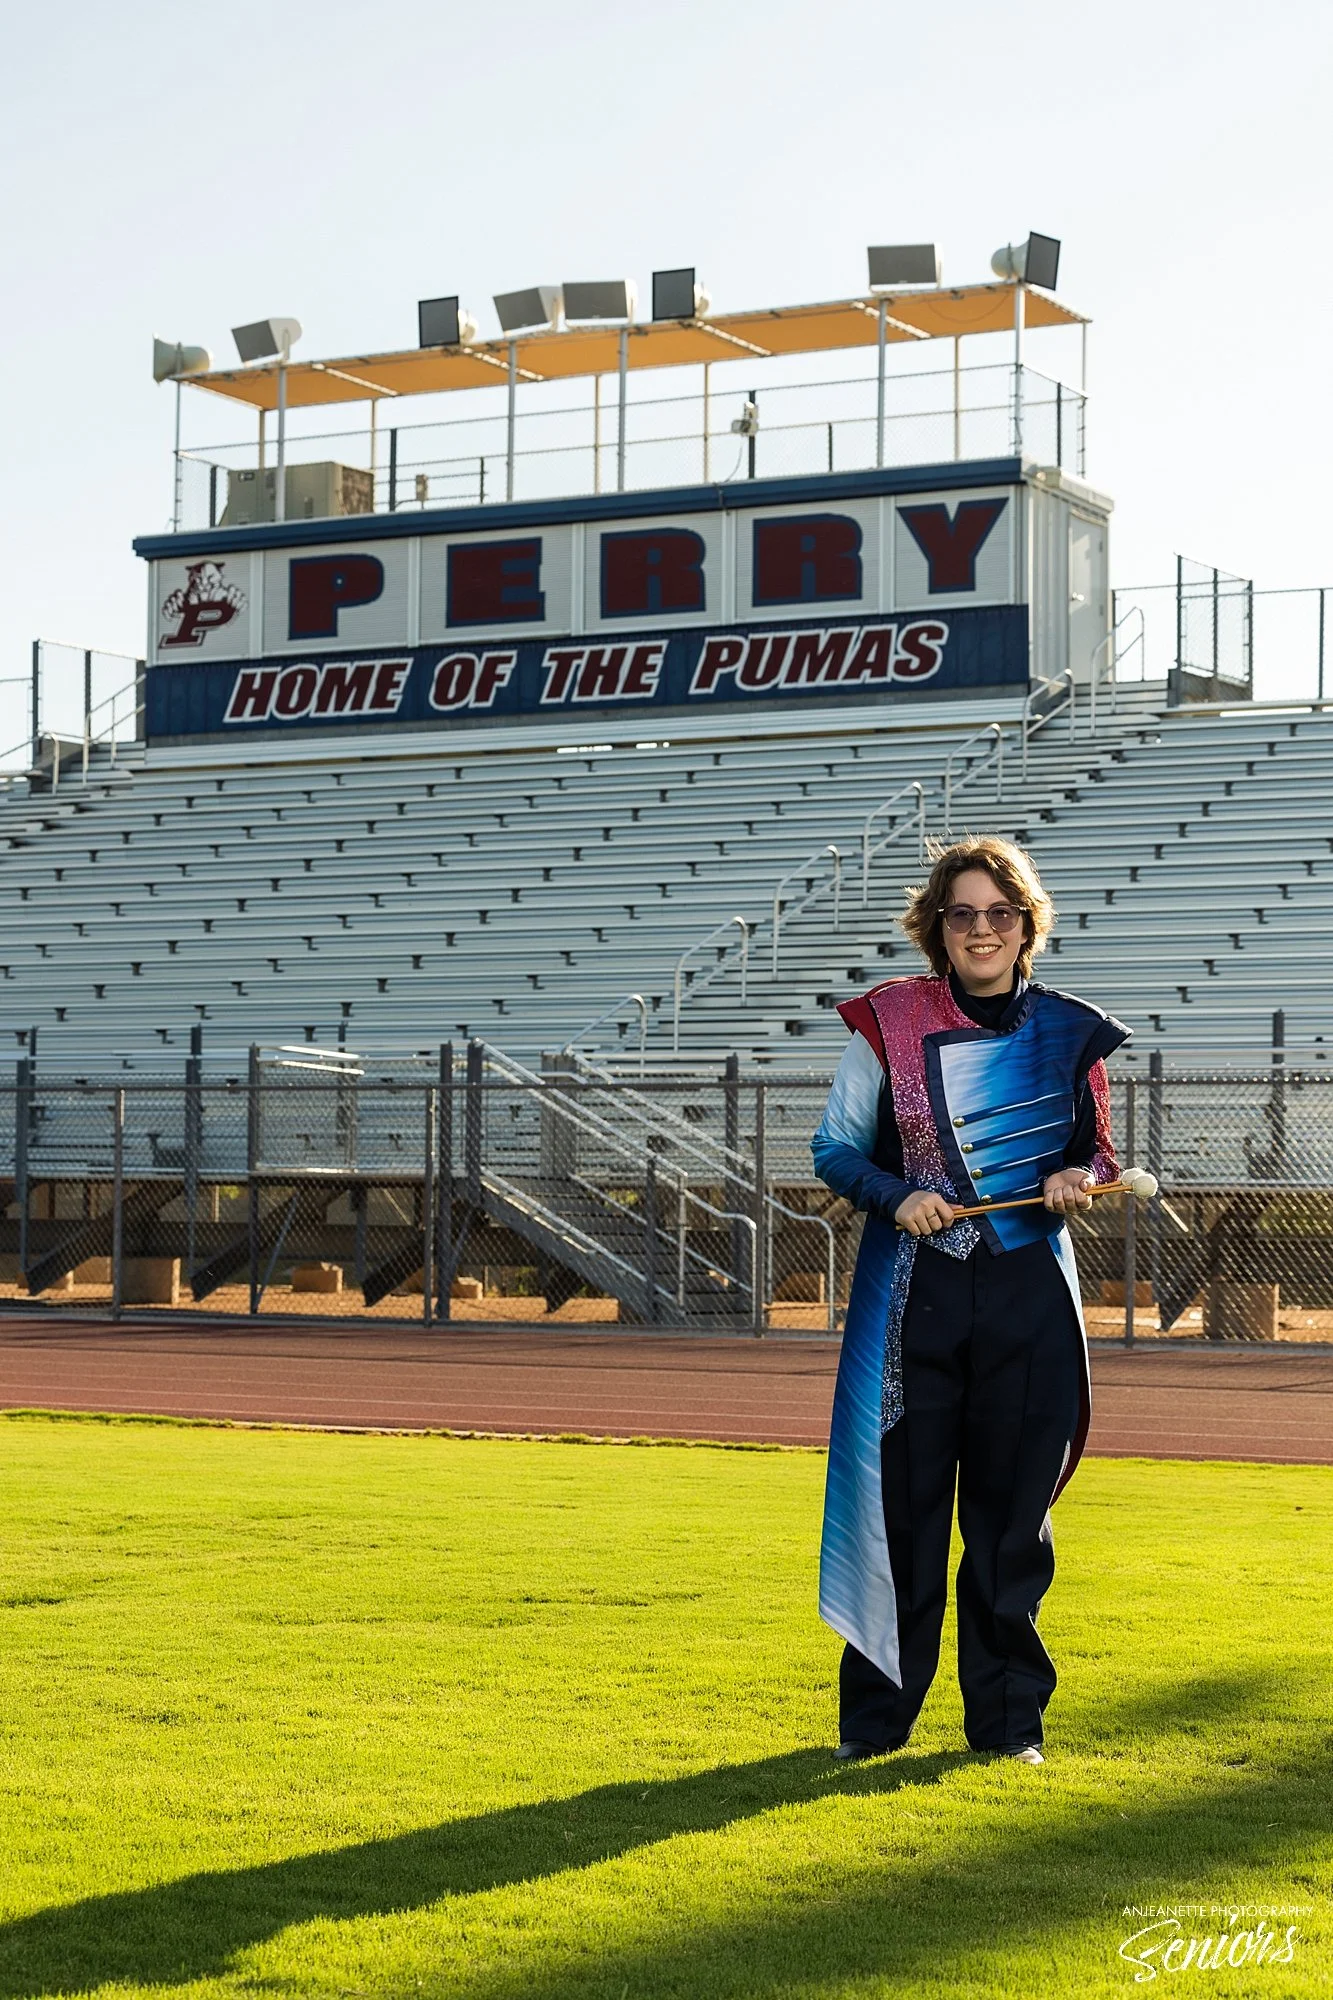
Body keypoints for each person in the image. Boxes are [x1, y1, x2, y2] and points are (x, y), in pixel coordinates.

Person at [811, 835, 1129, 1766]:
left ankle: (1005, 1730)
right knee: (904, 1515)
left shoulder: (1071, 1031)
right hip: (917, 1299)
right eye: (962, 914)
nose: (981, 929)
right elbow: (833, 1150)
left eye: (999, 912)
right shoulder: (888, 1020)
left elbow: (1101, 1149)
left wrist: (1079, 1174)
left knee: (1009, 1524)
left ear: (1026, 923)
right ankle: (874, 1726)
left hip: (1029, 1297)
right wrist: (894, 1194)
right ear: (936, 928)